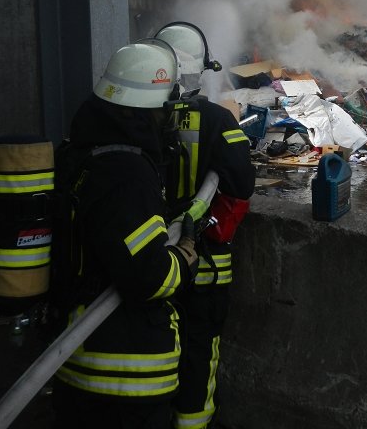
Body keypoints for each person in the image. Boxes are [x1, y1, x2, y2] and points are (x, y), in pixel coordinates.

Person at [51, 39, 199, 429]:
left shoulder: (80, 153)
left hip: (77, 357)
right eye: (166, 110)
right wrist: (184, 260)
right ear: (149, 110)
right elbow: (150, 277)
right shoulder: (126, 173)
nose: (169, 122)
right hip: (126, 373)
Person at [154, 22, 255, 429]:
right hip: (204, 266)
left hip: (150, 261)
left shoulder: (142, 117)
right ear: (199, 69)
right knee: (198, 354)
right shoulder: (216, 119)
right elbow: (242, 183)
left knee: (155, 349)